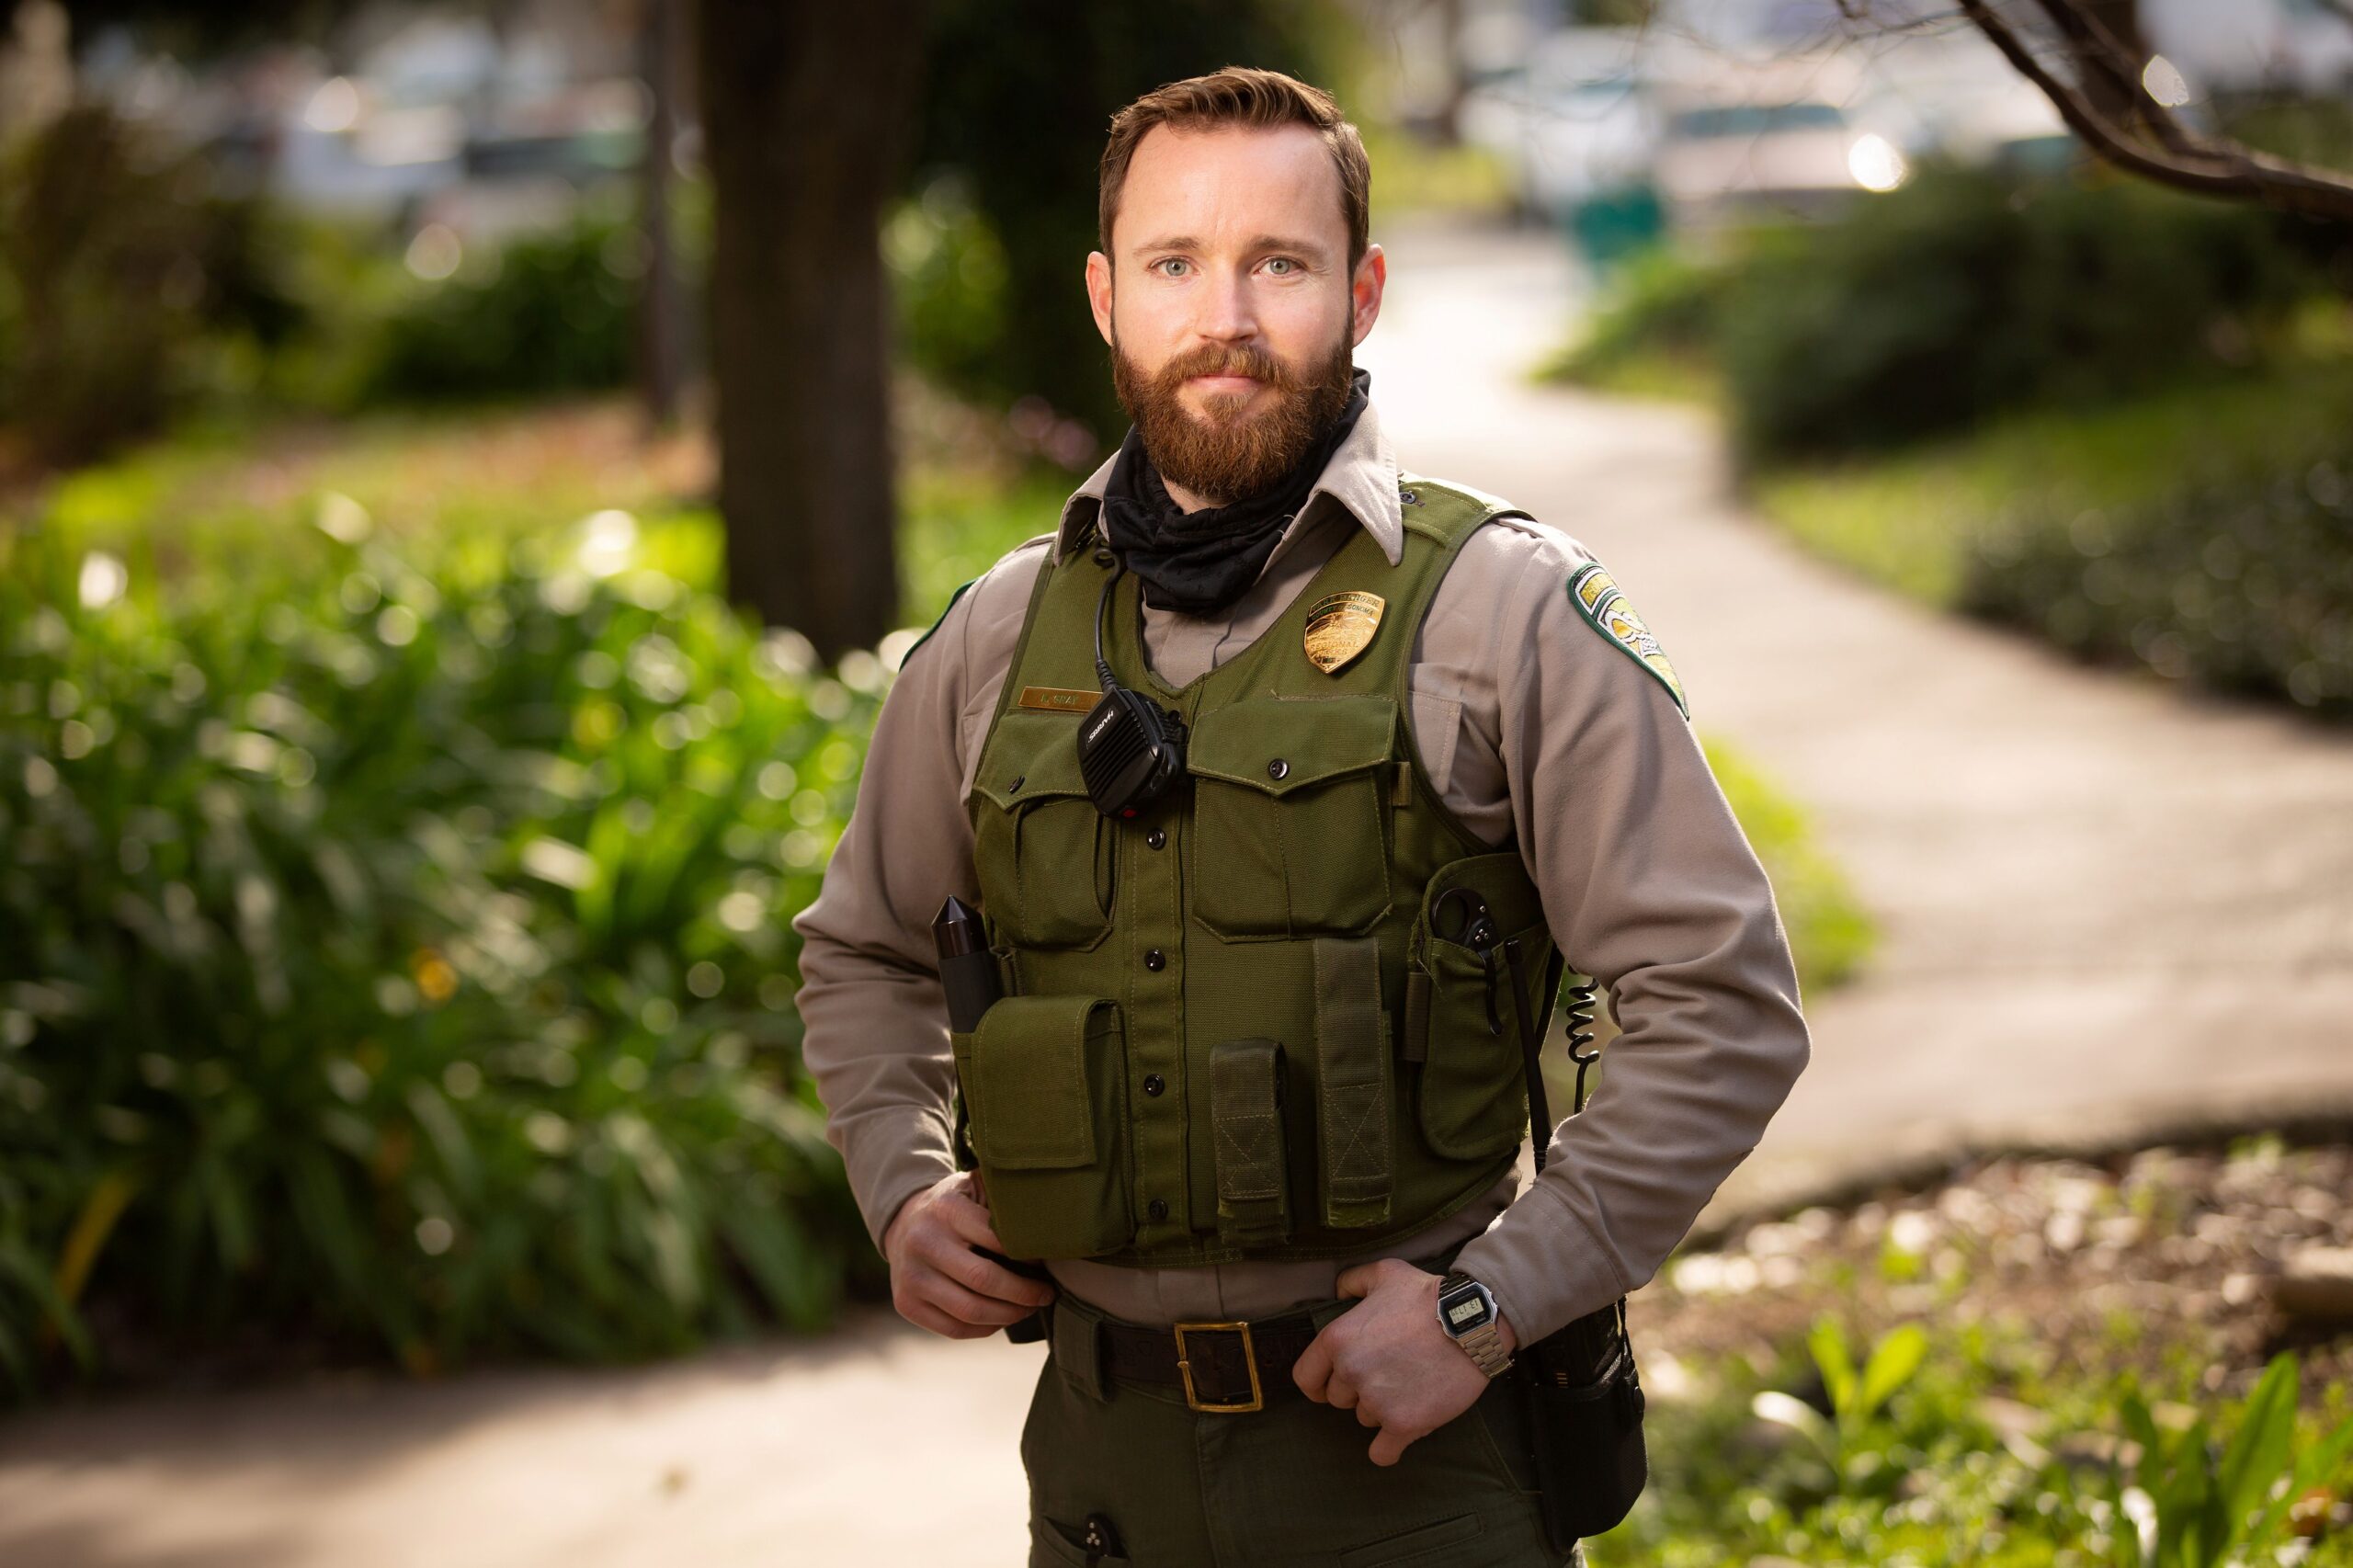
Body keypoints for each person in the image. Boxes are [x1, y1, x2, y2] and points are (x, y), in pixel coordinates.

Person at [792, 65, 1812, 1568]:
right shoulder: (996, 640)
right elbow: (864, 950)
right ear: (1104, 296)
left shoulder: (1504, 611)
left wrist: (1490, 1305)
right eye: (1174, 264)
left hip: (1410, 1462)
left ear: (1363, 288)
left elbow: (1721, 1003)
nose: (1227, 316)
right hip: (1099, 1480)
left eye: (1280, 261)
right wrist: (900, 1179)